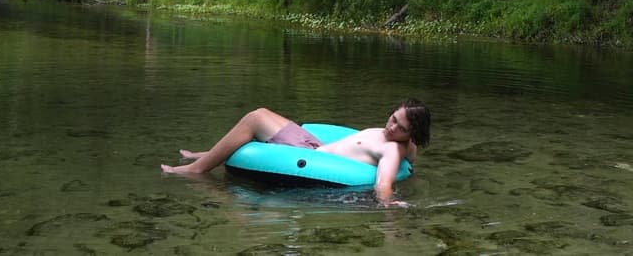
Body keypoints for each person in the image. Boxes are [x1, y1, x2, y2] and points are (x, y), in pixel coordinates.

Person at [161, 98, 431, 205]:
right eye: (393, 118)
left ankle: (196, 170)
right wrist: (410, 145)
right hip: (313, 144)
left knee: (255, 118)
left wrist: (389, 205)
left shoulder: (392, 150)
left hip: (313, 157)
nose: (391, 125)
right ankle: (208, 153)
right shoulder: (403, 142)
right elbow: (413, 153)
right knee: (260, 114)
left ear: (409, 134)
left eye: (399, 127)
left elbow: (383, 184)